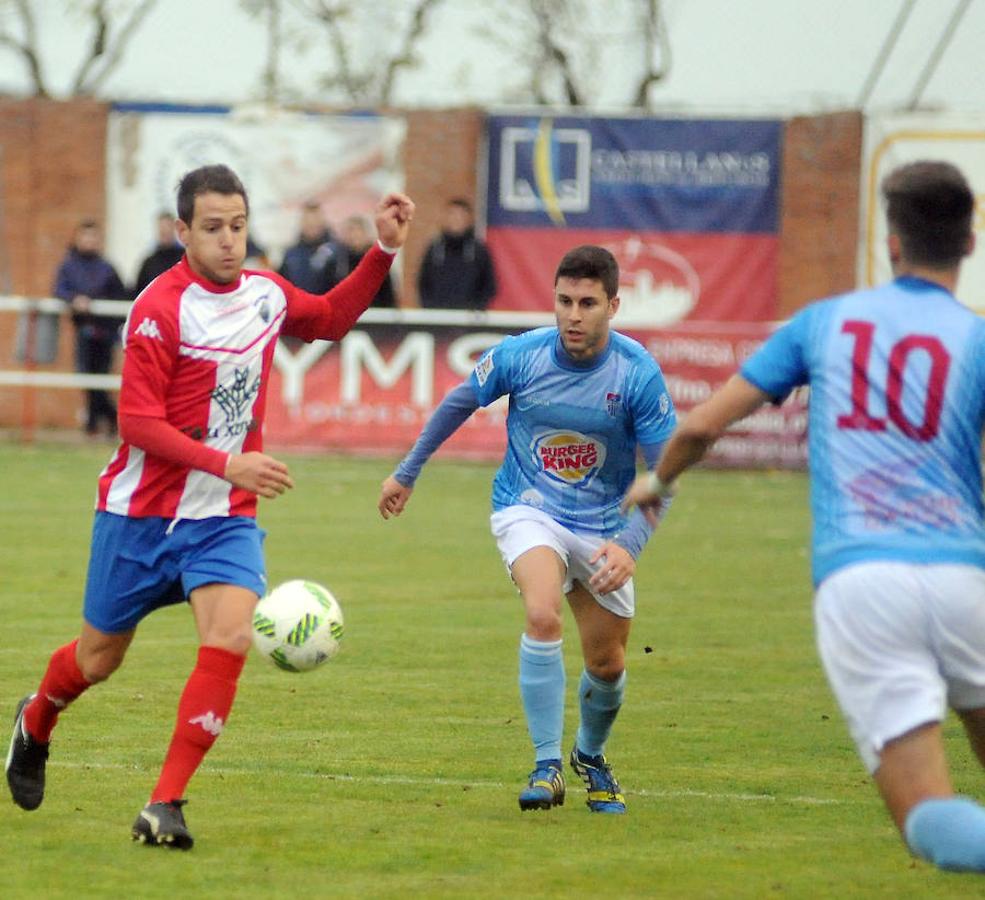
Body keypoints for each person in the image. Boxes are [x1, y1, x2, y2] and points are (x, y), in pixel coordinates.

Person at [5, 164, 415, 850]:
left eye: (238, 226)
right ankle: (36, 720)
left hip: (224, 517)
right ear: (183, 232)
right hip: (138, 517)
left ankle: (164, 804)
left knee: (228, 638)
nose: (229, 241)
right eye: (214, 228)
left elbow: (334, 318)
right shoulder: (158, 310)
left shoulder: (264, 292)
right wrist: (228, 460)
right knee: (99, 659)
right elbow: (136, 423)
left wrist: (384, 250)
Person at [621, 160, 985, 872]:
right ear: (969, 242)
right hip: (964, 577)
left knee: (929, 822)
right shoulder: (976, 339)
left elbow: (700, 426)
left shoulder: (825, 323)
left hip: (862, 582)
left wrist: (656, 480)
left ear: (890, 242)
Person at [379, 245, 676, 813]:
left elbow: (666, 476)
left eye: (588, 303)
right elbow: (456, 403)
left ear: (613, 305)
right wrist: (406, 472)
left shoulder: (637, 374)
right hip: (527, 507)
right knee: (541, 613)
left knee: (607, 664)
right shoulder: (522, 355)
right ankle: (545, 766)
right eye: (564, 300)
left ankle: (589, 754)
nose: (573, 314)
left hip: (604, 526)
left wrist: (631, 544)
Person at [52, 219, 129, 436]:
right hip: (83, 331)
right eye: (86, 236)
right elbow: (59, 289)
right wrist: (75, 299)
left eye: (94, 236)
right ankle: (105, 420)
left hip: (104, 332)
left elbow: (121, 295)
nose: (90, 241)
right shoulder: (69, 266)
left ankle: (96, 423)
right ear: (77, 238)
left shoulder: (107, 268)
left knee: (101, 376)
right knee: (85, 375)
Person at [416, 197, 497, 310]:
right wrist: (430, 308)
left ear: (469, 219)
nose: (456, 219)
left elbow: (489, 286)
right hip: (437, 319)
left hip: (470, 322)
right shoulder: (435, 250)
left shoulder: (479, 251)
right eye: (452, 214)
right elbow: (423, 284)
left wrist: (476, 308)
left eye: (460, 215)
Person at [278, 200, 342, 294]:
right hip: (298, 306)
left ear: (322, 221)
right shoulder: (291, 254)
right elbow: (282, 284)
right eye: (308, 221)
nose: (311, 224)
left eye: (315, 220)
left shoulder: (337, 251)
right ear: (302, 222)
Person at [337, 214, 397, 308]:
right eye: (351, 231)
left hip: (374, 315)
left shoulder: (378, 261)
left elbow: (388, 294)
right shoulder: (339, 261)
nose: (355, 236)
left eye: (358, 231)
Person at [133, 211, 185, 296]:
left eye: (167, 227)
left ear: (174, 228)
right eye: (161, 228)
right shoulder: (149, 263)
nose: (164, 231)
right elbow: (139, 292)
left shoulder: (185, 260)